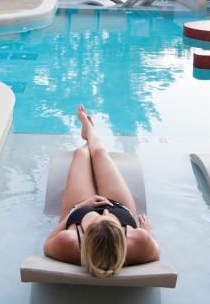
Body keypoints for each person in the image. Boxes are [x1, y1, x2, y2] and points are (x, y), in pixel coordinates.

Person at [43, 105, 161, 276]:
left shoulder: (68, 243)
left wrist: (78, 209)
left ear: (84, 240)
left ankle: (86, 139)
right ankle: (89, 131)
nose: (105, 212)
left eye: (101, 218)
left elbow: (47, 245)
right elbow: (154, 249)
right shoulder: (141, 243)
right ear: (123, 240)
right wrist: (147, 232)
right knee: (99, 153)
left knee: (81, 154)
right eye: (108, 218)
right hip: (120, 207)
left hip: (80, 209)